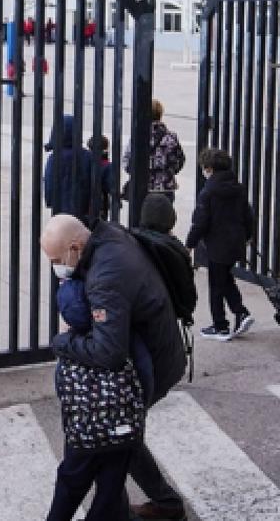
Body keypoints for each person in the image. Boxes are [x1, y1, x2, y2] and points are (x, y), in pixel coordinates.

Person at [44, 214, 188, 521]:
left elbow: (108, 352)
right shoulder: (106, 236)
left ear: (74, 247)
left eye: (56, 259)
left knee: (112, 437)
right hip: (157, 351)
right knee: (120, 437)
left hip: (150, 365)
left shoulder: (104, 278)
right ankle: (161, 505)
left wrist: (63, 343)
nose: (56, 268)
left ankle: (142, 509)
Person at [46, 244, 153, 521]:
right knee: (110, 487)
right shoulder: (119, 338)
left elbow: (64, 397)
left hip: (83, 436)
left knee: (70, 482)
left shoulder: (68, 352)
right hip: (120, 431)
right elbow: (141, 376)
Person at [186, 148, 256, 341]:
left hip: (217, 244)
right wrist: (248, 236)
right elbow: (248, 215)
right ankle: (241, 312)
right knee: (225, 280)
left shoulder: (208, 192)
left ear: (209, 168)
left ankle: (220, 326)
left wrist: (189, 244)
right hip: (235, 243)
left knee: (216, 286)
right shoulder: (238, 188)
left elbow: (200, 221)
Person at [123, 100, 186, 207]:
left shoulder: (138, 136)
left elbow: (127, 162)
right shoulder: (171, 137)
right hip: (165, 187)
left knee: (140, 220)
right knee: (163, 220)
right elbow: (180, 160)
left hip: (142, 187)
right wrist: (168, 172)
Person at [44, 115, 97, 219]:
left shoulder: (54, 157)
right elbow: (93, 182)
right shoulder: (87, 156)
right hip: (82, 206)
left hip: (60, 205)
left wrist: (50, 200)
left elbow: (49, 181)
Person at [87, 134, 115, 220]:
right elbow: (110, 186)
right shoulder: (107, 165)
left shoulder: (86, 162)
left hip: (85, 201)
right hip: (101, 203)